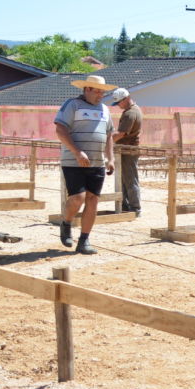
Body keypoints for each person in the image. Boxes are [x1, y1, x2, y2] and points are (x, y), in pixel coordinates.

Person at [54, 74, 117, 255]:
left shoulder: (105, 110)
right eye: (97, 92)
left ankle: (84, 240)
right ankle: (66, 223)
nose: (100, 95)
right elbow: (60, 129)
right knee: (78, 197)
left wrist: (110, 158)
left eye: (102, 92)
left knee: (92, 199)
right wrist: (76, 151)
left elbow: (109, 135)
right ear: (87, 89)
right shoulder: (72, 105)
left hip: (96, 162)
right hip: (73, 161)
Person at [106, 87, 143, 216]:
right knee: (124, 179)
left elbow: (121, 133)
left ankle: (135, 208)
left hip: (128, 150)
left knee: (130, 179)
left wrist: (107, 140)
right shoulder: (132, 110)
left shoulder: (130, 113)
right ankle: (125, 205)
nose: (118, 105)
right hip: (126, 150)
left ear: (126, 99)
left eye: (119, 102)